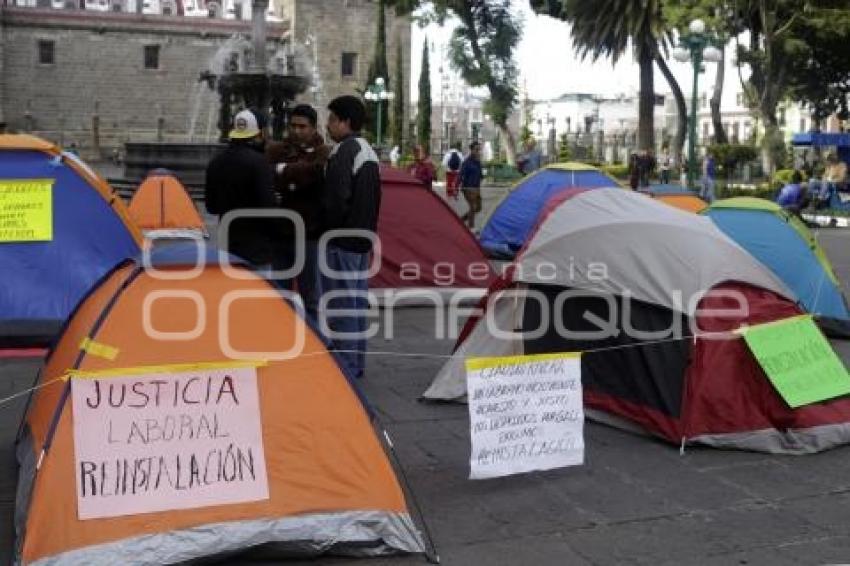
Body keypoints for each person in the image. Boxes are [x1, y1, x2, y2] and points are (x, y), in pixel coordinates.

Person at [320, 95, 381, 379]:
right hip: (361, 240)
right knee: (355, 304)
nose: (328, 125)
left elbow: (336, 199)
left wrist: (326, 229)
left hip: (342, 240)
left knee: (342, 305)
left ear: (345, 122)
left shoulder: (345, 151)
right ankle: (355, 364)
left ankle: (344, 368)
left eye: (332, 119)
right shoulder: (367, 150)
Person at [266, 104, 330, 322]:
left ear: (313, 128)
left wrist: (283, 171)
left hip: (308, 233)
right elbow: (267, 175)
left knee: (310, 295)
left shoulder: (323, 151)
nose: (297, 131)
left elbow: (314, 175)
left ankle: (315, 341)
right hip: (279, 233)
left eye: (302, 126)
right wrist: (298, 174)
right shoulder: (276, 149)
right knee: (280, 296)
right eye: (293, 126)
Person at [205, 108, 278, 269]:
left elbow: (211, 207)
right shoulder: (259, 163)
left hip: (228, 246)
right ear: (260, 133)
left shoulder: (216, 162)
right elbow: (269, 207)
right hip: (257, 249)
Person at [458, 141, 483, 230]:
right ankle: (470, 228)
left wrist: (481, 177)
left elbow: (480, 174)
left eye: (479, 150)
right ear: (471, 150)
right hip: (468, 188)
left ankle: (460, 220)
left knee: (479, 208)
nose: (478, 152)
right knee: (472, 207)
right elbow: (460, 175)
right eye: (476, 150)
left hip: (476, 188)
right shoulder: (467, 162)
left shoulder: (478, 161)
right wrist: (456, 188)